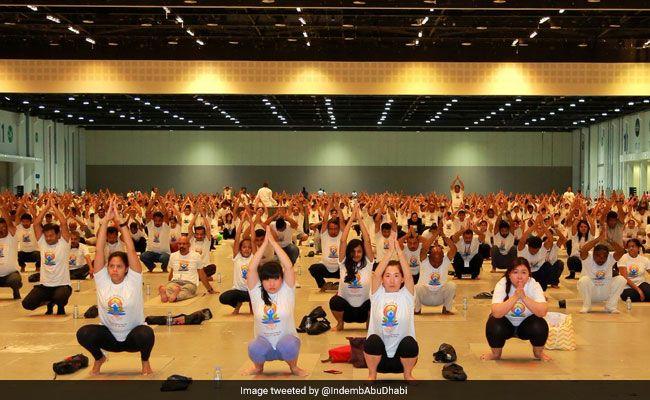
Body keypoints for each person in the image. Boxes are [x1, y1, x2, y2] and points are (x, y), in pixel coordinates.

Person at [76, 201, 154, 376]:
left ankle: (145, 362)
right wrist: (104, 223)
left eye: (119, 266)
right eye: (111, 266)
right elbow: (98, 250)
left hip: (132, 338)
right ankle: (99, 358)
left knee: (147, 333)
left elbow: (131, 250)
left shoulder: (133, 279)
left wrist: (121, 224)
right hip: (109, 337)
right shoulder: (103, 280)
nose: (115, 270)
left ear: (126, 268)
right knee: (83, 333)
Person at [243, 225, 307, 377]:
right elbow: (252, 269)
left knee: (289, 346)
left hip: (285, 344)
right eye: (266, 280)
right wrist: (264, 244)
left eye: (275, 279)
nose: (271, 284)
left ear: (281, 279)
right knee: (253, 348)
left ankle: (294, 367)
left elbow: (289, 267)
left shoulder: (287, 290)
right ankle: (258, 367)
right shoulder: (257, 292)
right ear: (262, 281)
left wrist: (274, 243)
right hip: (264, 345)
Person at [364, 235, 418, 381]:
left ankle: (408, 374)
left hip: (401, 360)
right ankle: (372, 374)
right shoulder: (377, 294)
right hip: (379, 359)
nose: (392, 280)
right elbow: (375, 276)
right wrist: (389, 252)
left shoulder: (406, 296)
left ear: (401, 279)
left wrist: (399, 252)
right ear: (382, 279)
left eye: (396, 276)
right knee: (372, 340)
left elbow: (409, 277)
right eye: (387, 276)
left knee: (410, 342)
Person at [481, 257, 550, 361]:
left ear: (529, 275)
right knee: (493, 323)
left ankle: (539, 353)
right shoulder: (502, 284)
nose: (520, 277)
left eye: (524, 272)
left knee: (541, 325)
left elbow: (542, 312)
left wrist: (524, 297)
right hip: (505, 325)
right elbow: (496, 312)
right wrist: (515, 297)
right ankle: (495, 354)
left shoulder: (534, 285)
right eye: (515, 272)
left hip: (526, 326)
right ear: (509, 274)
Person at [21, 196, 72, 315]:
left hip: (62, 285)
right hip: (45, 286)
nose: (48, 238)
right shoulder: (42, 242)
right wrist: (46, 207)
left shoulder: (64, 243)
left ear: (58, 235)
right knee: (27, 304)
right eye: (46, 236)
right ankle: (49, 301)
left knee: (60, 297)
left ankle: (59, 305)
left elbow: (63, 223)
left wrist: (54, 207)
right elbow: (36, 224)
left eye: (51, 236)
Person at [329, 205, 374, 331]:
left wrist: (359, 218)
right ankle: (340, 324)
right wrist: (351, 220)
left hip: (364, 311)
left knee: (375, 300)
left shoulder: (368, 263)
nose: (356, 254)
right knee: (334, 301)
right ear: (349, 253)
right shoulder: (343, 263)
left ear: (363, 252)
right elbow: (343, 241)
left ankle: (369, 325)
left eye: (359, 251)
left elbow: (367, 240)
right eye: (353, 252)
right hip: (346, 311)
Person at [577, 227, 627, 313]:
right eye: (598, 256)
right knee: (583, 280)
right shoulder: (587, 257)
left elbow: (621, 251)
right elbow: (583, 250)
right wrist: (598, 239)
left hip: (605, 291)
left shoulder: (611, 258)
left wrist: (609, 240)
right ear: (593, 254)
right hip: (591, 292)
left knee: (621, 279)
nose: (601, 259)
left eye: (604, 256)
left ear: (608, 255)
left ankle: (610, 306)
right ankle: (587, 306)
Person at [159, 235, 216, 303]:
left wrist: (210, 289)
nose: (181, 246)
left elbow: (202, 274)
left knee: (187, 290)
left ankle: (172, 295)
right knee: (170, 287)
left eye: (184, 244)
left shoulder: (196, 256)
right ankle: (170, 295)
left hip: (190, 283)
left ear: (189, 245)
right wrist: (169, 283)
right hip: (175, 281)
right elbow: (172, 272)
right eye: (180, 244)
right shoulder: (173, 256)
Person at [414, 230, 457, 315]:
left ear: (443, 257)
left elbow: (454, 249)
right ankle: (417, 310)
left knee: (452, 285)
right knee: (416, 287)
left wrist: (443, 235)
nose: (437, 264)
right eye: (434, 261)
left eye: (439, 261)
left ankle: (446, 309)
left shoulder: (445, 260)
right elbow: (425, 248)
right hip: (425, 296)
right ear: (429, 257)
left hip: (440, 296)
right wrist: (436, 234)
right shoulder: (424, 260)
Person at [219, 213, 253, 314]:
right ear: (240, 249)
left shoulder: (253, 257)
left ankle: (252, 308)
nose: (247, 249)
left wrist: (251, 223)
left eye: (249, 247)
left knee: (256, 294)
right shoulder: (237, 257)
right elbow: (237, 238)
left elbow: (254, 240)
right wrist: (242, 222)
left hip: (251, 291)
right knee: (223, 298)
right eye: (244, 247)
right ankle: (238, 305)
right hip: (238, 290)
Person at [309, 203, 342, 291]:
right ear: (328, 229)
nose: (333, 231)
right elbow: (324, 221)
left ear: (339, 229)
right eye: (331, 229)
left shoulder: (341, 235)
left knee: (353, 269)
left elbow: (341, 220)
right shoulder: (324, 235)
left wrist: (337, 206)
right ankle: (324, 285)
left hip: (339, 268)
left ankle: (341, 286)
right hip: (325, 267)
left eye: (335, 229)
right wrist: (329, 205)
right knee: (313, 268)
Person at [140, 202, 171, 273]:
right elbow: (147, 212)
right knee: (143, 256)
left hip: (164, 253)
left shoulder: (166, 226)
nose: (157, 222)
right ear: (153, 220)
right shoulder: (150, 225)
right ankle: (151, 266)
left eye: (160, 220)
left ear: (162, 220)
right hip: (152, 252)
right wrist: (153, 200)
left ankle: (164, 268)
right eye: (156, 220)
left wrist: (160, 201)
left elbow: (165, 213)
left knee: (165, 258)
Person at [0, 204, 22, 299]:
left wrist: (3, 209)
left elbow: (9, 223)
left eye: (4, 227)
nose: (2, 230)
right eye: (0, 228)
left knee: (15, 280)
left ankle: (16, 291)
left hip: (10, 275)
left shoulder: (12, 237)